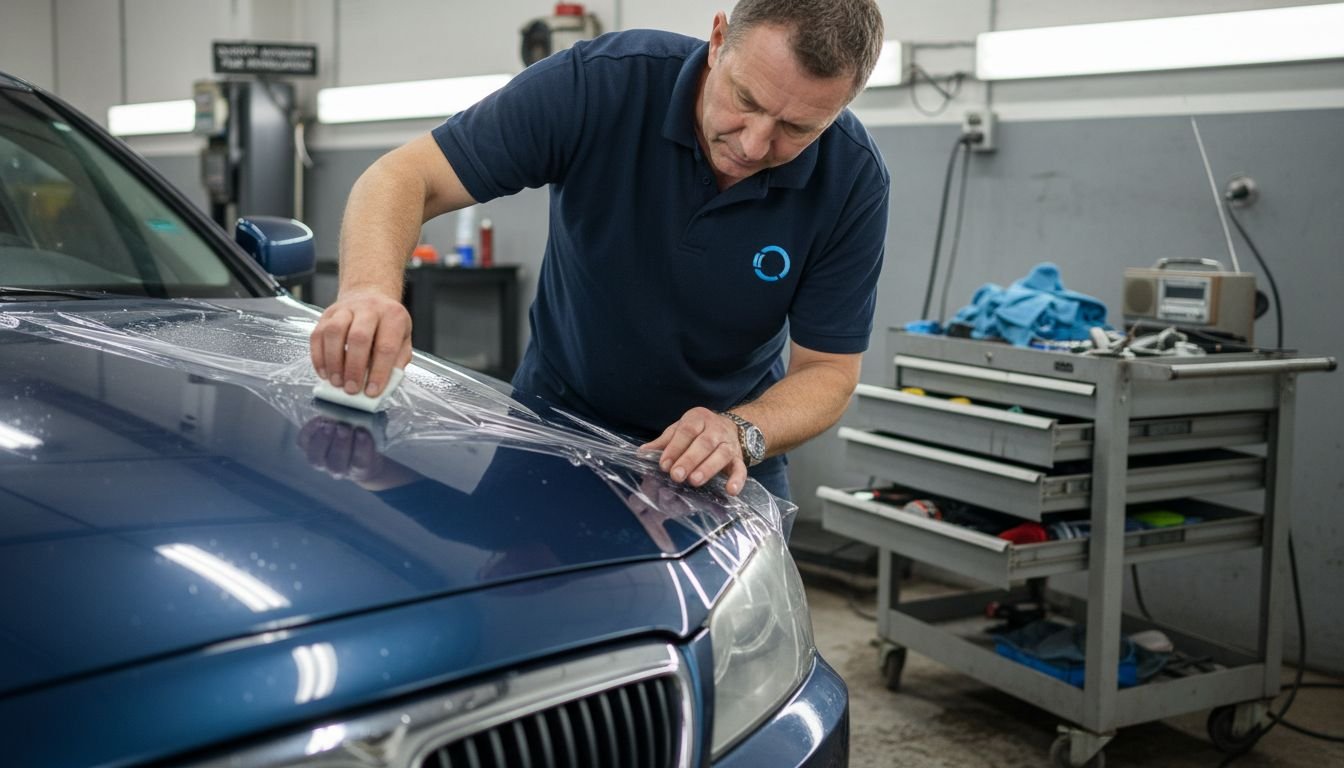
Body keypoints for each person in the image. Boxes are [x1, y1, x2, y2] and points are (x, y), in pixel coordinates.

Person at [310, 0, 890, 501]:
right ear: (718, 41)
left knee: (743, 601)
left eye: (798, 129)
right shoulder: (602, 84)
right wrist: (368, 292)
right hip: (556, 425)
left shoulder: (852, 179)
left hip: (719, 456)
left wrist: (742, 431)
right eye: (746, 99)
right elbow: (404, 177)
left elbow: (828, 371)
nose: (755, 144)